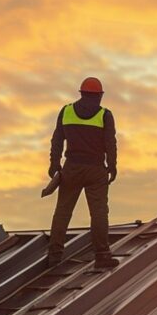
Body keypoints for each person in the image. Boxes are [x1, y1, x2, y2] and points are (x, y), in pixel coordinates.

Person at [47, 76, 120, 269]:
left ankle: (54, 256)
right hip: (96, 170)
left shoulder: (66, 111)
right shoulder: (105, 115)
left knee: (62, 212)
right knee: (98, 213)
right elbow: (110, 143)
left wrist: (54, 164)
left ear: (81, 94)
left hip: (71, 168)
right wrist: (112, 166)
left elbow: (57, 139)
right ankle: (102, 256)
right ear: (99, 96)